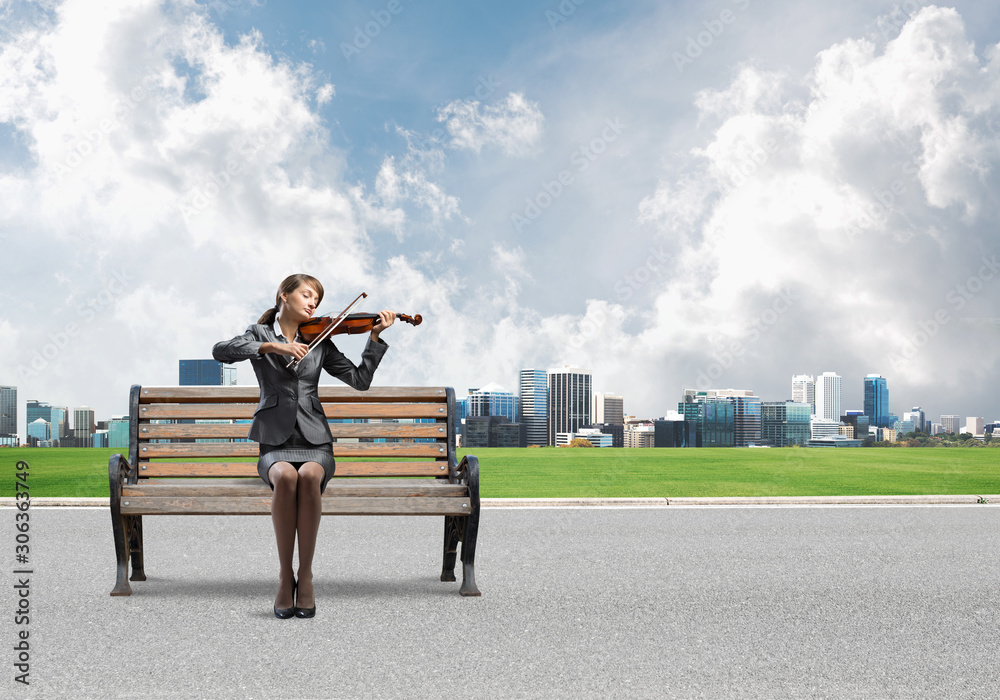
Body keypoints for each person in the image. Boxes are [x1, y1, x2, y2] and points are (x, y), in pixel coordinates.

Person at [212, 273, 395, 619]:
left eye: (317, 300)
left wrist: (374, 337)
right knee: (286, 478)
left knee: (309, 477)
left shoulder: (321, 339)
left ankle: (306, 576)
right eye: (308, 295)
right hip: (274, 443)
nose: (313, 304)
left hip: (316, 442)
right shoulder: (259, 333)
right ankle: (285, 576)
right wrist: (274, 347)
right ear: (285, 295)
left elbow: (360, 381)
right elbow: (221, 351)